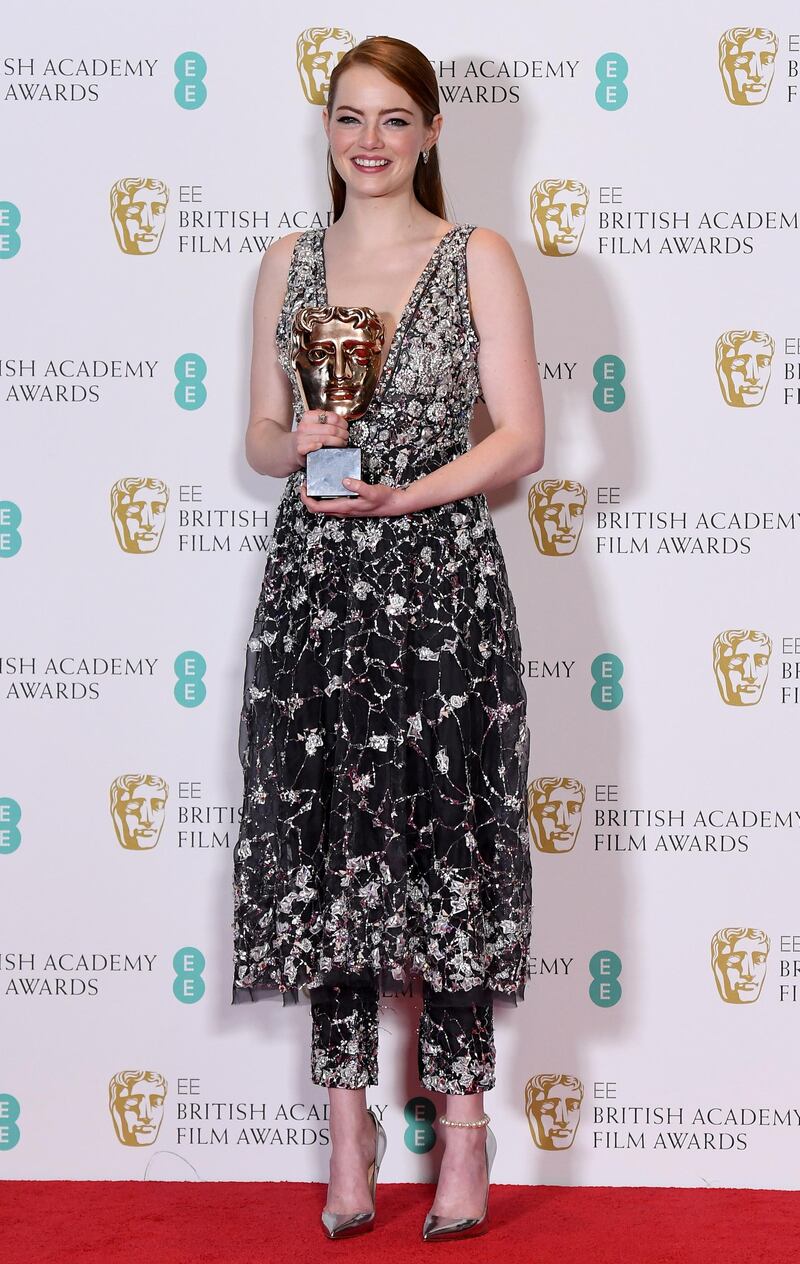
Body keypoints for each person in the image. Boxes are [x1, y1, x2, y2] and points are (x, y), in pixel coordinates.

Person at [231, 34, 545, 1242]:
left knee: (450, 847)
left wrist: (405, 495)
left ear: (429, 133)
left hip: (440, 590)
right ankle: (346, 1127)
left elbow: (516, 439)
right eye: (348, 117)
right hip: (314, 589)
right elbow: (258, 439)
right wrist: (301, 441)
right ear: (326, 128)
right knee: (330, 848)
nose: (368, 141)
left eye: (393, 120)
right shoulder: (286, 265)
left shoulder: (475, 257)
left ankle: (463, 1131)